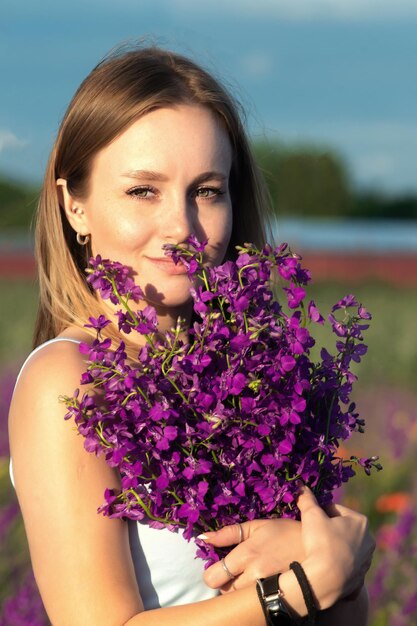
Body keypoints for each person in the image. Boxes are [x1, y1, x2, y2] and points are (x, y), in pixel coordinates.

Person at [8, 45, 374, 625]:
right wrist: (293, 590)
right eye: (142, 190)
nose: (182, 226)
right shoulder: (68, 380)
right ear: (73, 206)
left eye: (207, 190)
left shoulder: (258, 373)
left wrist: (345, 572)